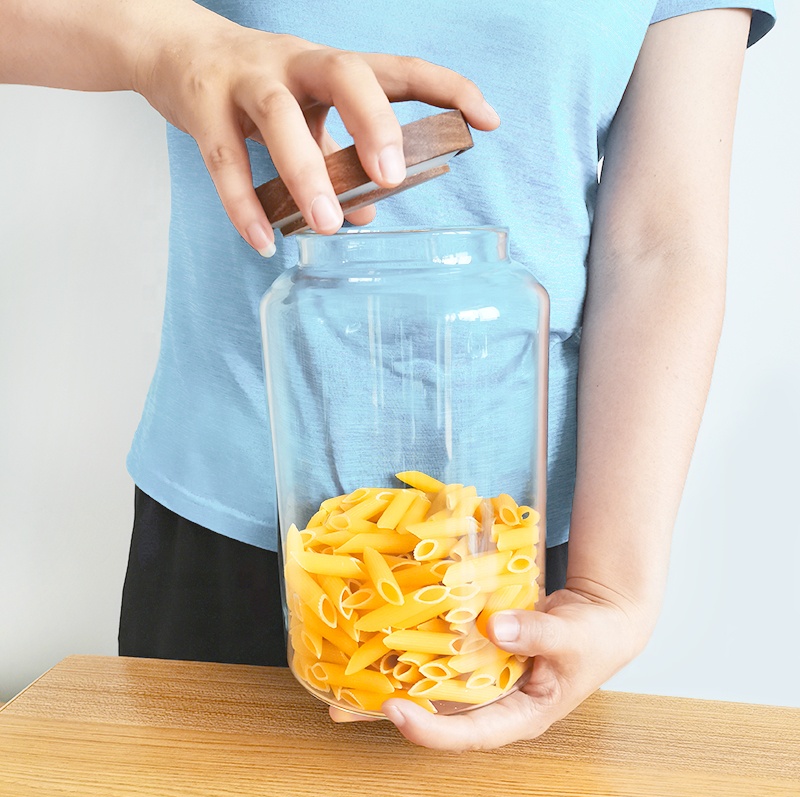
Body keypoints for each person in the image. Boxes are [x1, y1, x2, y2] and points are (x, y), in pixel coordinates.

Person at [0, 0, 776, 750]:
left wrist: (616, 590)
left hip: (516, 555)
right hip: (230, 528)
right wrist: (171, 42)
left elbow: (659, 244)